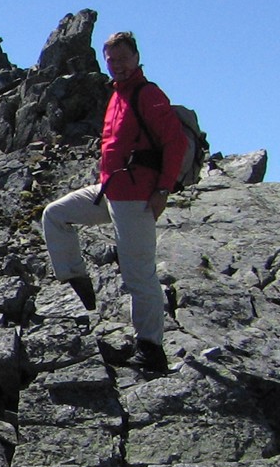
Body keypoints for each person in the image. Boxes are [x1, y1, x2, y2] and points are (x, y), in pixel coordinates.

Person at [41, 31, 189, 375]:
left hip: (136, 198)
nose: (117, 65)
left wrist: (163, 190)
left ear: (136, 57)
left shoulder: (148, 95)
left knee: (139, 275)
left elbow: (175, 143)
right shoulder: (117, 95)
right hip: (110, 192)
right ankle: (79, 287)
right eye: (111, 60)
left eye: (123, 58)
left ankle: (151, 350)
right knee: (56, 214)